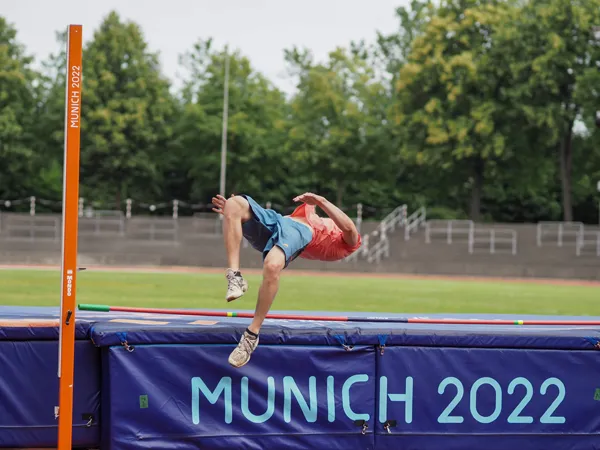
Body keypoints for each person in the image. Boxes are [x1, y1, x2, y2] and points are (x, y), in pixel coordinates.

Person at [211, 192, 362, 368]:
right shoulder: (313, 217)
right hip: (280, 222)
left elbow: (350, 228)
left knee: (272, 265)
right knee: (234, 204)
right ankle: (235, 276)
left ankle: (252, 335)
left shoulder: (346, 243)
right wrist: (233, 216)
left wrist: (321, 201)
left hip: (298, 232)